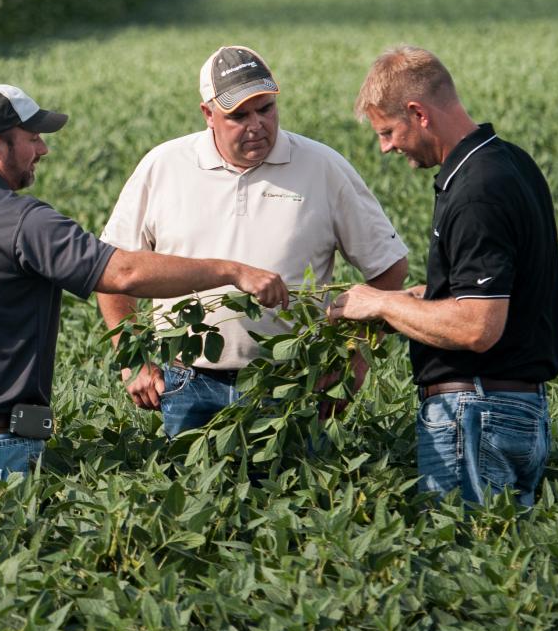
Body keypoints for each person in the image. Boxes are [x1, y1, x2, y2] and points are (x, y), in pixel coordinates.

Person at [0, 83, 289, 512]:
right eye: (32, 138)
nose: (43, 149)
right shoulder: (23, 222)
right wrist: (230, 270)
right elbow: (123, 273)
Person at [96, 46, 410, 436]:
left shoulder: (322, 166)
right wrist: (133, 357)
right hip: (184, 383)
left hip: (292, 381)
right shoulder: (163, 166)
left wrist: (352, 358)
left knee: (294, 493)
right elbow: (110, 268)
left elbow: (388, 267)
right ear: (207, 114)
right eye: (239, 115)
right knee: (193, 492)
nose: (257, 124)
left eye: (266, 109)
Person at [329, 46, 558, 506]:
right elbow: (495, 287)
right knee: (505, 567)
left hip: (476, 414)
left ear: (418, 113)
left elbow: (477, 326)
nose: (386, 146)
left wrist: (383, 302)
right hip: (513, 409)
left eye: (388, 131)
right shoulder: (510, 163)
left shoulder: (477, 192)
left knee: (466, 560)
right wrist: (418, 295)